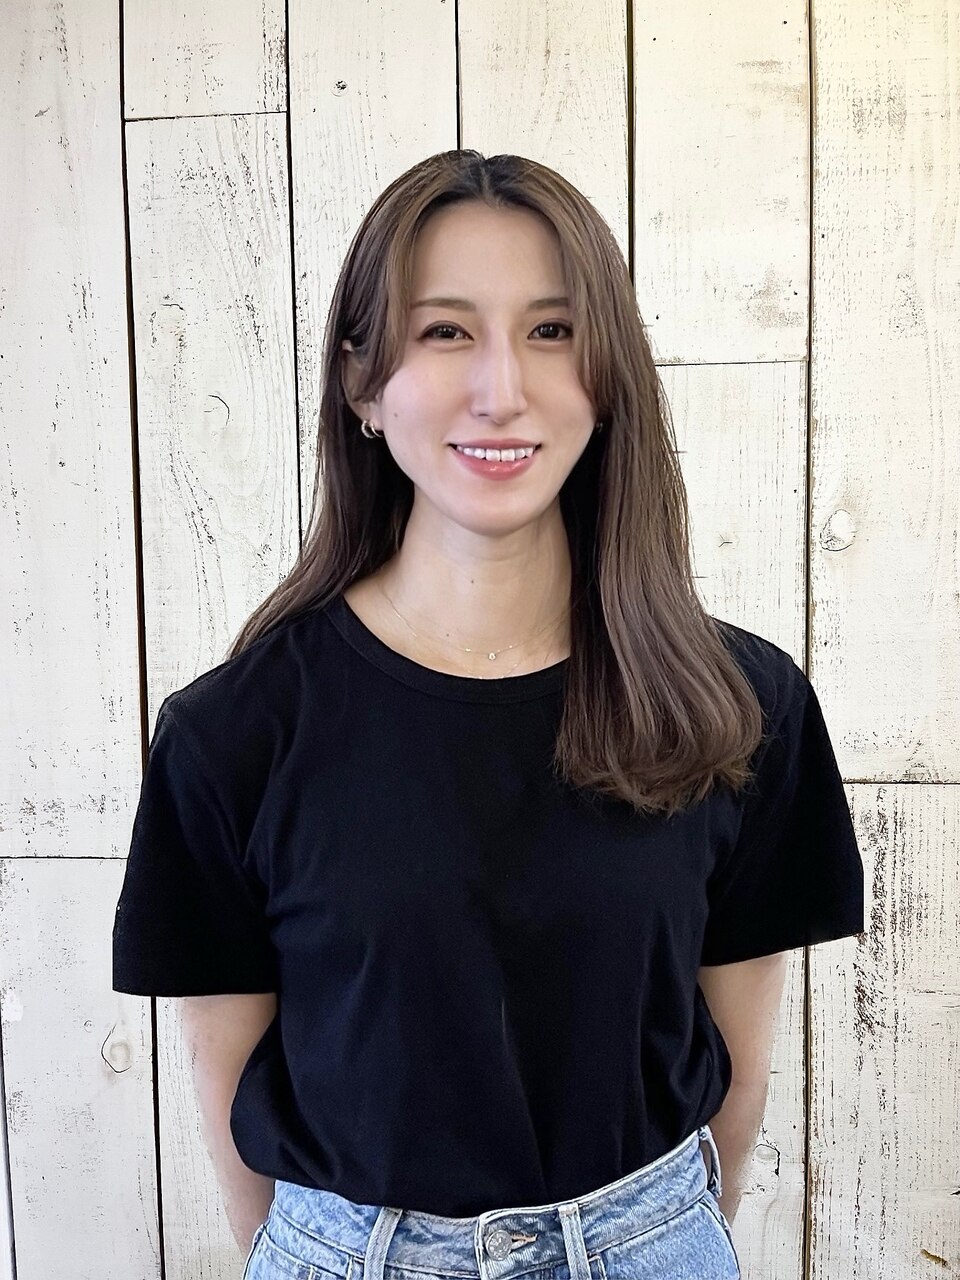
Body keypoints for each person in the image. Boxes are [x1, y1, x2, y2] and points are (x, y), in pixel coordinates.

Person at [112, 150, 865, 1280]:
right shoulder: (232, 735)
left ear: (608, 376)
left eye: (552, 330)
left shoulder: (737, 706)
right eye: (445, 331)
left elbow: (738, 1077)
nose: (502, 388)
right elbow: (232, 1104)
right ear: (363, 386)